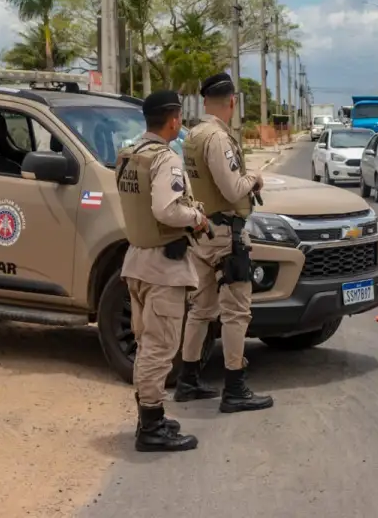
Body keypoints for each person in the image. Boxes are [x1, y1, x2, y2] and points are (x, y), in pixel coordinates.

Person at [175, 72, 274, 413]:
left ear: (205, 100)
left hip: (203, 232)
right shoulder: (217, 138)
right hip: (225, 235)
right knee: (236, 311)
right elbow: (232, 188)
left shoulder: (193, 135)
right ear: (232, 101)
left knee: (201, 309)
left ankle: (187, 381)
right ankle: (235, 388)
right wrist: (254, 179)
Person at [117, 89, 209, 452]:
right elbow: (166, 209)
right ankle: (151, 428)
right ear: (173, 119)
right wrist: (197, 218)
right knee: (159, 347)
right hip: (162, 266)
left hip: (137, 258)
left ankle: (149, 417)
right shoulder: (166, 159)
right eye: (180, 117)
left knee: (145, 343)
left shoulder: (129, 154)